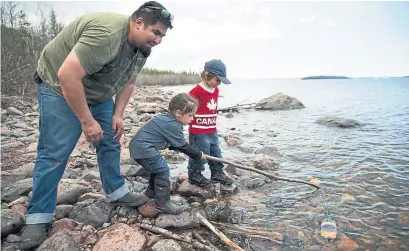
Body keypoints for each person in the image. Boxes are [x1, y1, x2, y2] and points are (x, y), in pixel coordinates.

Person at [20, 1, 174, 249]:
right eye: (155, 33)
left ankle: (117, 191)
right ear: (138, 23)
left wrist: (118, 114)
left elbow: (129, 82)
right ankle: (38, 217)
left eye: (162, 36)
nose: (158, 40)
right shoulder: (107, 34)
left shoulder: (142, 47)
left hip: (99, 92)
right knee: (54, 154)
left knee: (111, 139)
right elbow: (67, 74)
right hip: (59, 86)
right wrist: (87, 121)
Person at [129, 93, 205, 214]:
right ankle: (163, 203)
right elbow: (183, 146)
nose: (192, 119)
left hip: (139, 147)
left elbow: (165, 138)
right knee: (162, 170)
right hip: (144, 149)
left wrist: (173, 145)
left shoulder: (166, 118)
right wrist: (198, 155)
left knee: (156, 169)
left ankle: (151, 193)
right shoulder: (173, 125)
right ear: (178, 113)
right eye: (190, 115)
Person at [187, 59, 234, 186]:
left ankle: (217, 172)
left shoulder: (216, 90)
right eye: (217, 80)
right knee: (200, 152)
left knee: (215, 151)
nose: (219, 83)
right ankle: (194, 174)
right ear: (207, 76)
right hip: (198, 129)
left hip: (211, 128)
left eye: (220, 81)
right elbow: (187, 107)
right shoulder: (196, 91)